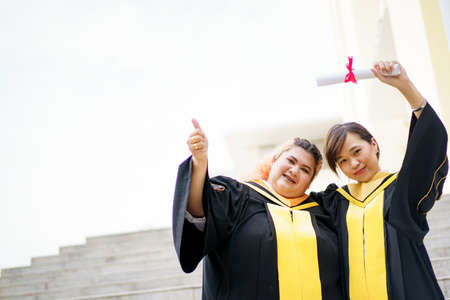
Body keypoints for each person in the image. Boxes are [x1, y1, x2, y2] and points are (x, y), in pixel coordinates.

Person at [313, 61, 448, 300]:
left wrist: (404, 85)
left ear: (373, 144)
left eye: (356, 152)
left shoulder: (401, 189)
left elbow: (428, 142)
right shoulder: (336, 203)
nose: (353, 164)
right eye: (342, 161)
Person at [172, 119, 346, 300]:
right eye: (291, 161)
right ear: (274, 160)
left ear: (309, 183)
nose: (294, 170)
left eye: (305, 170)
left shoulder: (321, 213)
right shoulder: (237, 197)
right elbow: (199, 213)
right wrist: (199, 162)